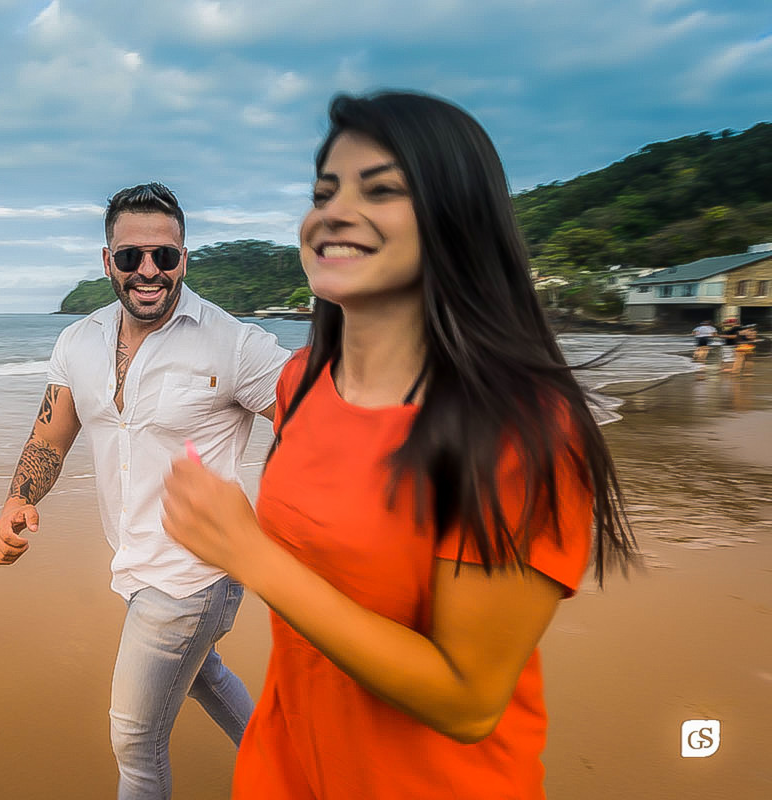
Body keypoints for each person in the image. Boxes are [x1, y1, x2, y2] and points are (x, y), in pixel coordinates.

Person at [161, 91, 637, 798]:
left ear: (456, 223)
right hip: (283, 771)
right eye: (324, 191)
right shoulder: (299, 382)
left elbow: (468, 699)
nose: (332, 212)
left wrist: (248, 554)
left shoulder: (519, 430)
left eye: (380, 191)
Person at [0, 182, 289, 800]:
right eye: (131, 257)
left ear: (184, 257)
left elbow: (315, 417)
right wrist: (19, 499)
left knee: (134, 740)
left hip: (194, 577)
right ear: (108, 263)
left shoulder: (232, 344)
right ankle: (296, 770)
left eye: (164, 255)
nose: (148, 270)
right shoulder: (79, 343)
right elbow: (51, 434)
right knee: (205, 675)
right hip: (134, 563)